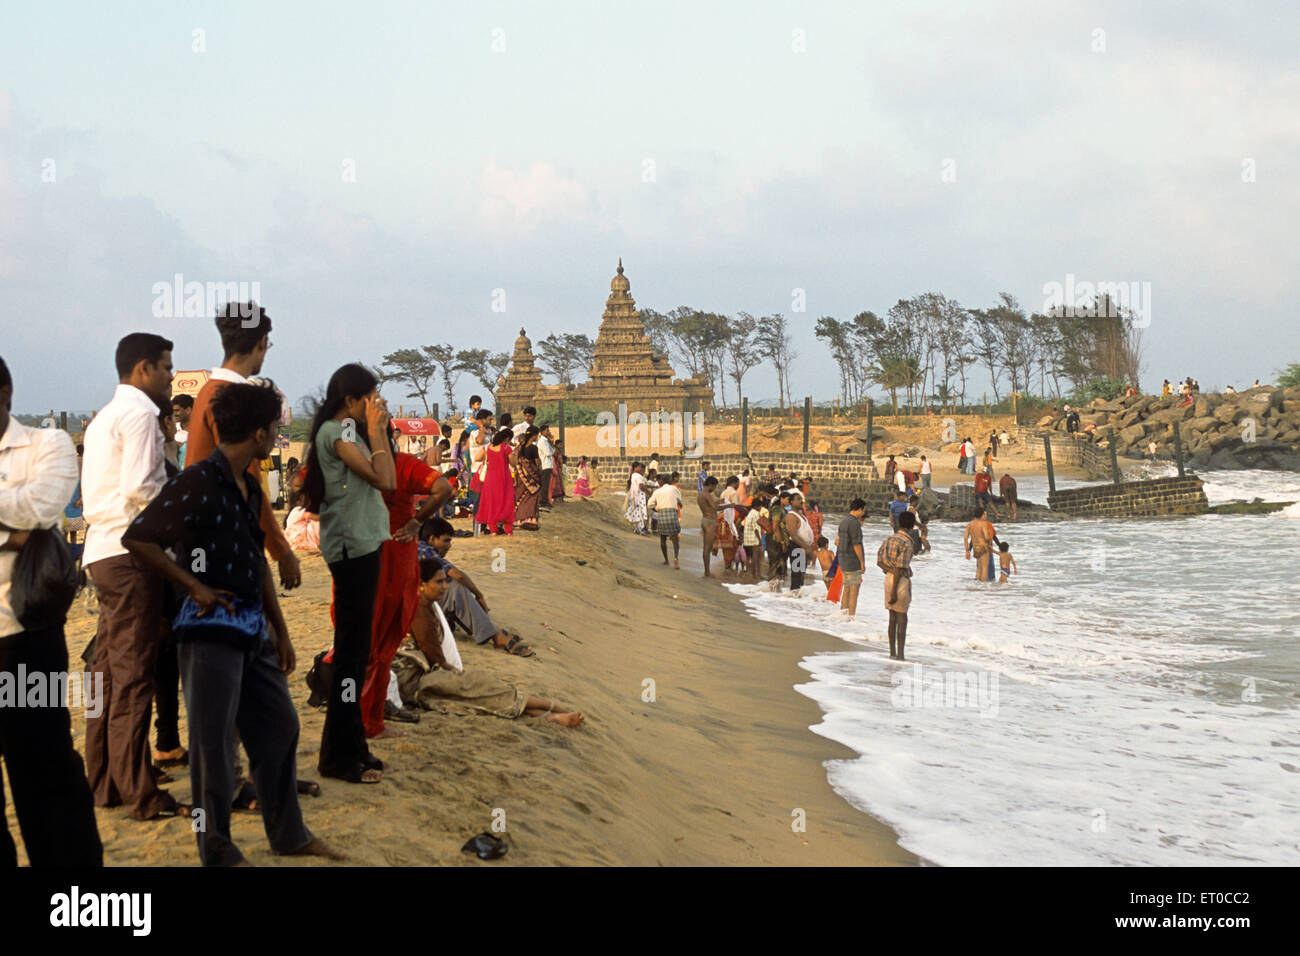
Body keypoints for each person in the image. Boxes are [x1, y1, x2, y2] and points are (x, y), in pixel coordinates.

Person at [123, 382, 340, 865]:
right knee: (212, 749)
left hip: (251, 628)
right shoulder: (199, 480)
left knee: (280, 725)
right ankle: (217, 850)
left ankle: (288, 834)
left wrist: (279, 630)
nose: (276, 437)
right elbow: (140, 539)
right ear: (261, 433)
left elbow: (256, 560)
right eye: (275, 430)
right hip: (208, 633)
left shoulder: (247, 483)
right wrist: (194, 587)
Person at [0, 355, 104, 866]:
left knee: (45, 777)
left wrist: (27, 522)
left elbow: (42, 510)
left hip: (24, 637)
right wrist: (11, 530)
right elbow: (22, 517)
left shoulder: (48, 445)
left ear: (4, 393)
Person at [82, 333, 188, 820]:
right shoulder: (142, 413)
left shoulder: (104, 416)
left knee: (106, 675)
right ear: (144, 369)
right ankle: (139, 792)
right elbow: (143, 487)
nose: (171, 376)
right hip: (131, 556)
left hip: (101, 553)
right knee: (131, 677)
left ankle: (103, 781)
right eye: (167, 367)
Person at [300, 364, 396, 785]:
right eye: (370, 400)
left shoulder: (345, 433)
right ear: (352, 401)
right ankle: (338, 756)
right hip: (351, 548)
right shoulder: (335, 434)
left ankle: (352, 745)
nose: (375, 406)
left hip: (363, 545)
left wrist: (377, 431)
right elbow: (385, 479)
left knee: (358, 653)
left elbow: (384, 479)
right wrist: (377, 431)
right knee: (351, 656)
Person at [184, 302, 300, 592]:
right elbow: (247, 482)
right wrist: (281, 551)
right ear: (261, 342)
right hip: (226, 535)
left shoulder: (207, 391)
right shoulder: (232, 397)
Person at [394, 556, 580, 725]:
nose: (445, 586)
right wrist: (457, 673)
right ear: (421, 584)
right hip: (414, 683)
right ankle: (553, 709)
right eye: (439, 582)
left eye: (445, 581)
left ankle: (549, 714)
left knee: (479, 691)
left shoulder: (426, 606)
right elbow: (435, 657)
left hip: (423, 677)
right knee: (476, 687)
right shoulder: (419, 611)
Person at [359, 424, 452, 740]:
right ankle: (369, 719)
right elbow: (443, 489)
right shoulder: (402, 465)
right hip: (395, 561)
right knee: (383, 641)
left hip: (363, 560)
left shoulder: (359, 463)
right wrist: (416, 522)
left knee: (367, 641)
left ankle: (366, 719)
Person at [418, 518, 534, 656]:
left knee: (451, 587)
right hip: (416, 605)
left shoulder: (424, 549)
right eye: (446, 540)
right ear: (432, 539)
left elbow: (454, 572)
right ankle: (495, 637)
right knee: (455, 589)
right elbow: (457, 575)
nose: (449, 545)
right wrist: (479, 595)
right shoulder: (425, 551)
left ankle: (489, 629)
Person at [877, 510, 917, 661]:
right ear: (912, 526)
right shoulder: (907, 542)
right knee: (902, 618)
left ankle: (892, 652)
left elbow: (879, 560)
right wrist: (894, 591)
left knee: (892, 617)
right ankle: (900, 654)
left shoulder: (890, 539)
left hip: (888, 578)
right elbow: (901, 568)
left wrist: (889, 570)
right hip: (899, 581)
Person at [476, 427, 517, 536]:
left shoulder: (488, 448)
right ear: (507, 438)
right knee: (507, 502)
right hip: (504, 478)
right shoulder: (506, 448)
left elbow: (477, 458)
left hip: (490, 479)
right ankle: (508, 530)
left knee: (492, 502)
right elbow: (513, 463)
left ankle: (493, 530)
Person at [835, 498, 866, 619]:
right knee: (854, 591)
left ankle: (843, 613)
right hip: (852, 561)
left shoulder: (843, 521)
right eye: (863, 510)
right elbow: (856, 545)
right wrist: (862, 562)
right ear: (859, 509)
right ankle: (851, 617)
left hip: (843, 559)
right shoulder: (854, 523)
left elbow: (837, 541)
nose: (863, 513)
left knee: (847, 589)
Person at [648, 471, 683, 569]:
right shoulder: (674, 489)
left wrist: (656, 509)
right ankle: (676, 557)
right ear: (671, 480)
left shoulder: (657, 491)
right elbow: (679, 500)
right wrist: (679, 504)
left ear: (662, 481)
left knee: (663, 539)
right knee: (675, 539)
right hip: (673, 513)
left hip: (662, 514)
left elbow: (649, 504)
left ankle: (666, 560)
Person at [513, 426, 543, 532]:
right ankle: (530, 520)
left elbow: (518, 462)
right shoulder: (533, 448)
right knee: (531, 497)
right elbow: (537, 462)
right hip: (531, 477)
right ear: (534, 435)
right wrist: (539, 473)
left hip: (521, 476)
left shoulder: (521, 447)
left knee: (521, 498)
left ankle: (518, 520)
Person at [785, 493, 815, 592]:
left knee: (802, 572)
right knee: (797, 573)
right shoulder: (791, 516)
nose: (801, 501)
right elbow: (793, 535)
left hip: (803, 547)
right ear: (791, 502)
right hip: (796, 547)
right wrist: (806, 547)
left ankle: (798, 595)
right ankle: (793, 594)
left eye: (801, 499)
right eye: (798, 499)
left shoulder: (800, 514)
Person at [963, 507, 1001, 582]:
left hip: (975, 547)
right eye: (984, 514)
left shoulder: (969, 524)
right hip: (983, 546)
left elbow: (965, 538)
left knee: (979, 568)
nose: (985, 516)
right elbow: (987, 537)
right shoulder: (983, 524)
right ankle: (983, 587)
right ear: (981, 515)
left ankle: (977, 585)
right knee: (984, 568)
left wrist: (967, 550)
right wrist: (989, 542)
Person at [698, 475, 720, 578]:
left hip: (705, 520)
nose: (714, 489)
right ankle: (707, 571)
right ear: (711, 485)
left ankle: (707, 570)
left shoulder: (701, 494)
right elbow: (714, 507)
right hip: (710, 521)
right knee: (707, 548)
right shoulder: (706, 494)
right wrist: (728, 506)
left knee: (707, 547)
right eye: (714, 487)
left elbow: (709, 506)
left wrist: (719, 502)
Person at [625, 462, 648, 534]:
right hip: (639, 496)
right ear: (635, 468)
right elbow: (641, 486)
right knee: (640, 511)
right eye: (639, 467)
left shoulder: (633, 475)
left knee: (637, 512)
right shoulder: (637, 475)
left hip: (635, 496)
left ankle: (637, 528)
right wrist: (648, 491)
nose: (641, 469)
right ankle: (641, 529)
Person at [171, 394, 194, 468]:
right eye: (173, 411)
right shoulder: (172, 430)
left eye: (177, 410)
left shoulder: (199, 431)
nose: (174, 414)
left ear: (188, 410)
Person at [536, 424, 555, 509]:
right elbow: (548, 453)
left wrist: (551, 442)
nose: (549, 432)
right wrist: (550, 445)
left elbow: (552, 451)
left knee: (547, 484)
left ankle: (545, 500)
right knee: (545, 484)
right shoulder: (542, 441)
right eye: (547, 430)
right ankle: (543, 501)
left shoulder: (546, 441)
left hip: (548, 465)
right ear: (543, 431)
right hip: (545, 465)